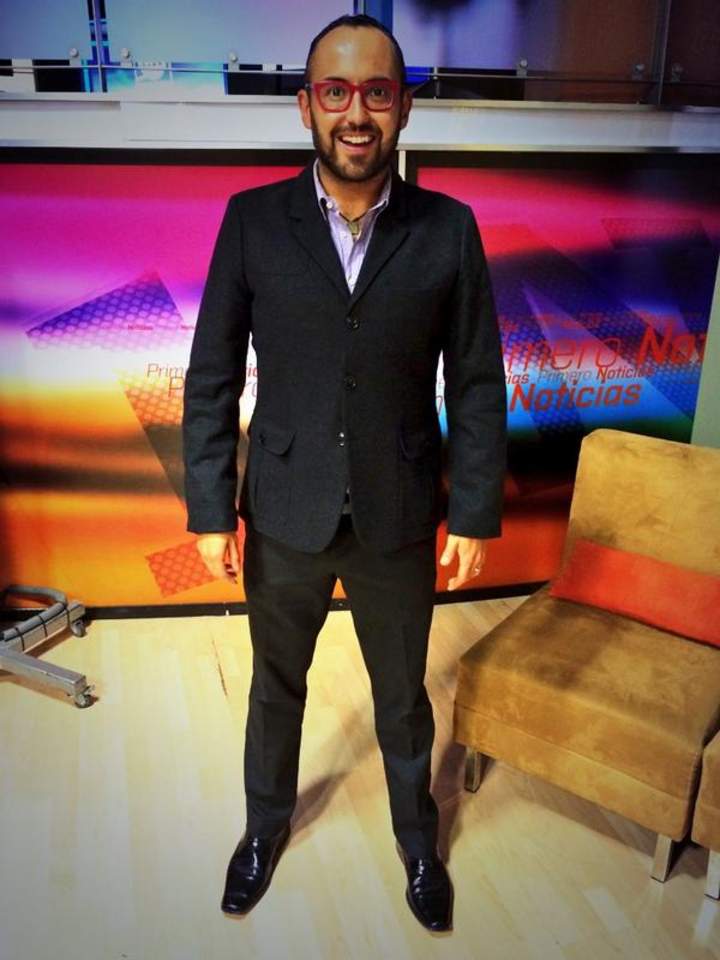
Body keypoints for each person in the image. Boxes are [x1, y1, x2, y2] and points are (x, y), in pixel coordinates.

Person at [182, 13, 506, 934]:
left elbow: (477, 382)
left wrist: (473, 512)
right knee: (274, 685)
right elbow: (212, 374)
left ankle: (417, 843)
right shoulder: (252, 221)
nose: (355, 113)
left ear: (403, 107)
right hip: (284, 507)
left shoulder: (450, 230)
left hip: (397, 511)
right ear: (306, 106)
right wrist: (209, 507)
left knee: (401, 698)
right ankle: (263, 828)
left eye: (376, 92)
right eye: (335, 92)